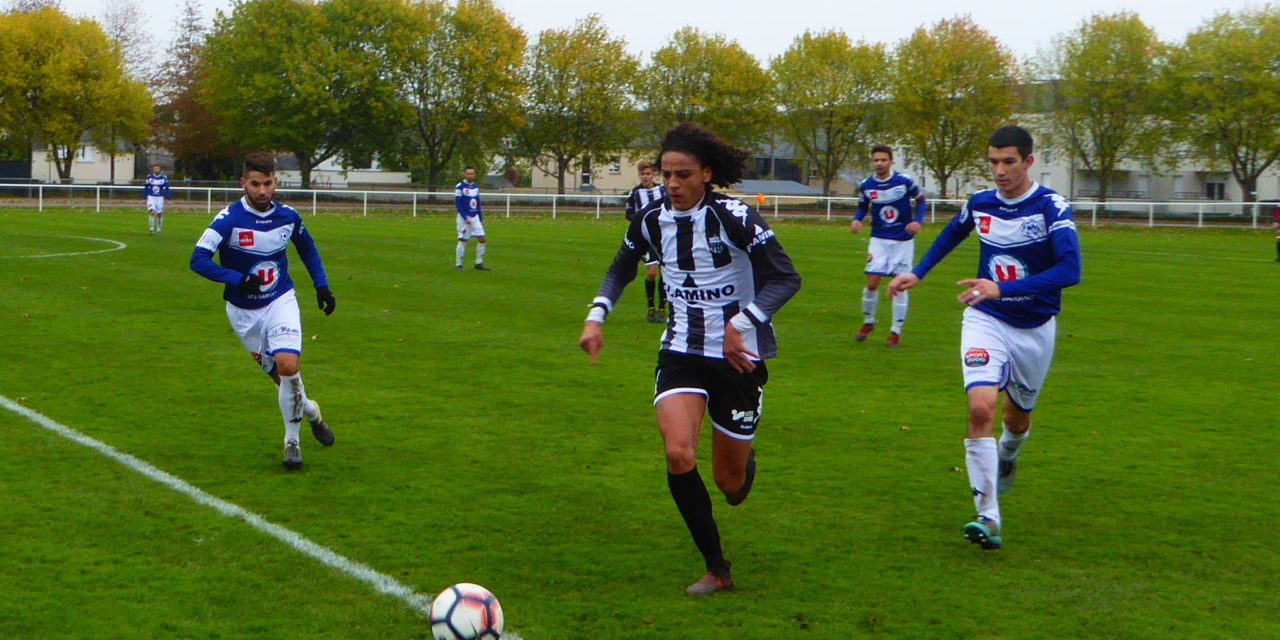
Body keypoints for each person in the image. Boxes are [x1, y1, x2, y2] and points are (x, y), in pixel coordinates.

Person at [579, 124, 802, 595]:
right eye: (666, 175)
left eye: (683, 175)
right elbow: (621, 265)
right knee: (679, 452)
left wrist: (739, 326)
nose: (673, 185)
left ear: (706, 174)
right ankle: (717, 568)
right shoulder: (650, 217)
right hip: (681, 349)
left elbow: (785, 277)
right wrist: (596, 316)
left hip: (739, 358)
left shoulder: (735, 217)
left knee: (730, 484)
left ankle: (743, 464)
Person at [888, 125, 1081, 551]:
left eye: (1008, 161)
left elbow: (1071, 270)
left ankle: (1009, 453)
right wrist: (917, 273)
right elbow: (953, 231)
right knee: (980, 408)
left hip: (1034, 328)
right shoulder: (981, 203)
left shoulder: (1052, 207)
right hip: (985, 318)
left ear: (1029, 162)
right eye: (993, 162)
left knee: (1017, 418)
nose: (999, 170)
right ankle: (988, 517)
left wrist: (1001, 286)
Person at [189, 153, 337, 470]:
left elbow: (307, 248)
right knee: (284, 381)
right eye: (255, 184)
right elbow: (198, 259)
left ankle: (292, 442)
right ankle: (312, 411)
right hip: (243, 314)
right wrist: (238, 279)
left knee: (288, 364)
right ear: (244, 183)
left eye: (267, 184)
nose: (262, 191)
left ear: (275, 182)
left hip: (280, 300)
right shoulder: (228, 219)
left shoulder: (289, 217)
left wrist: (321, 285)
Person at [850, 145, 925, 347]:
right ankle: (868, 322)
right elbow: (862, 206)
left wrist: (918, 221)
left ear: (891, 161)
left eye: (883, 160)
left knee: (900, 287)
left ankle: (895, 332)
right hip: (879, 239)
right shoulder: (867, 185)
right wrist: (857, 219)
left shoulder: (905, 181)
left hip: (903, 241)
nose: (879, 163)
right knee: (872, 284)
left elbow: (921, 200)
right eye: (876, 160)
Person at [624, 161, 667, 322]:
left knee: (666, 273)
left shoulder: (662, 190)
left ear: (654, 175)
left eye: (648, 174)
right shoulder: (635, 193)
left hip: (663, 238)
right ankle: (650, 307)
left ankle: (662, 308)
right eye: (642, 174)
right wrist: (640, 220)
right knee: (651, 273)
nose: (645, 177)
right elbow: (628, 214)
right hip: (645, 239)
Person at [455, 166, 488, 271]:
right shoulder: (460, 186)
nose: (470, 175)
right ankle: (458, 264)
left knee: (482, 239)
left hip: (475, 217)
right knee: (463, 240)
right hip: (464, 218)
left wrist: (481, 218)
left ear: (474, 175)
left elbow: (478, 203)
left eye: (472, 173)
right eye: (468, 173)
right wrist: (465, 217)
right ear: (465, 175)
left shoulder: (475, 187)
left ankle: (479, 263)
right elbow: (458, 204)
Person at [144, 165, 171, 235]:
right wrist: (145, 197)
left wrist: (169, 198)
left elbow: (167, 188)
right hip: (151, 197)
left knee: (159, 214)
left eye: (157, 169)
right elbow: (146, 187)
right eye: (154, 169)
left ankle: (159, 230)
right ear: (153, 170)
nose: (156, 170)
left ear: (160, 170)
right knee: (152, 212)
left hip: (160, 198)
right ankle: (151, 229)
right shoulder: (149, 177)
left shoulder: (164, 178)